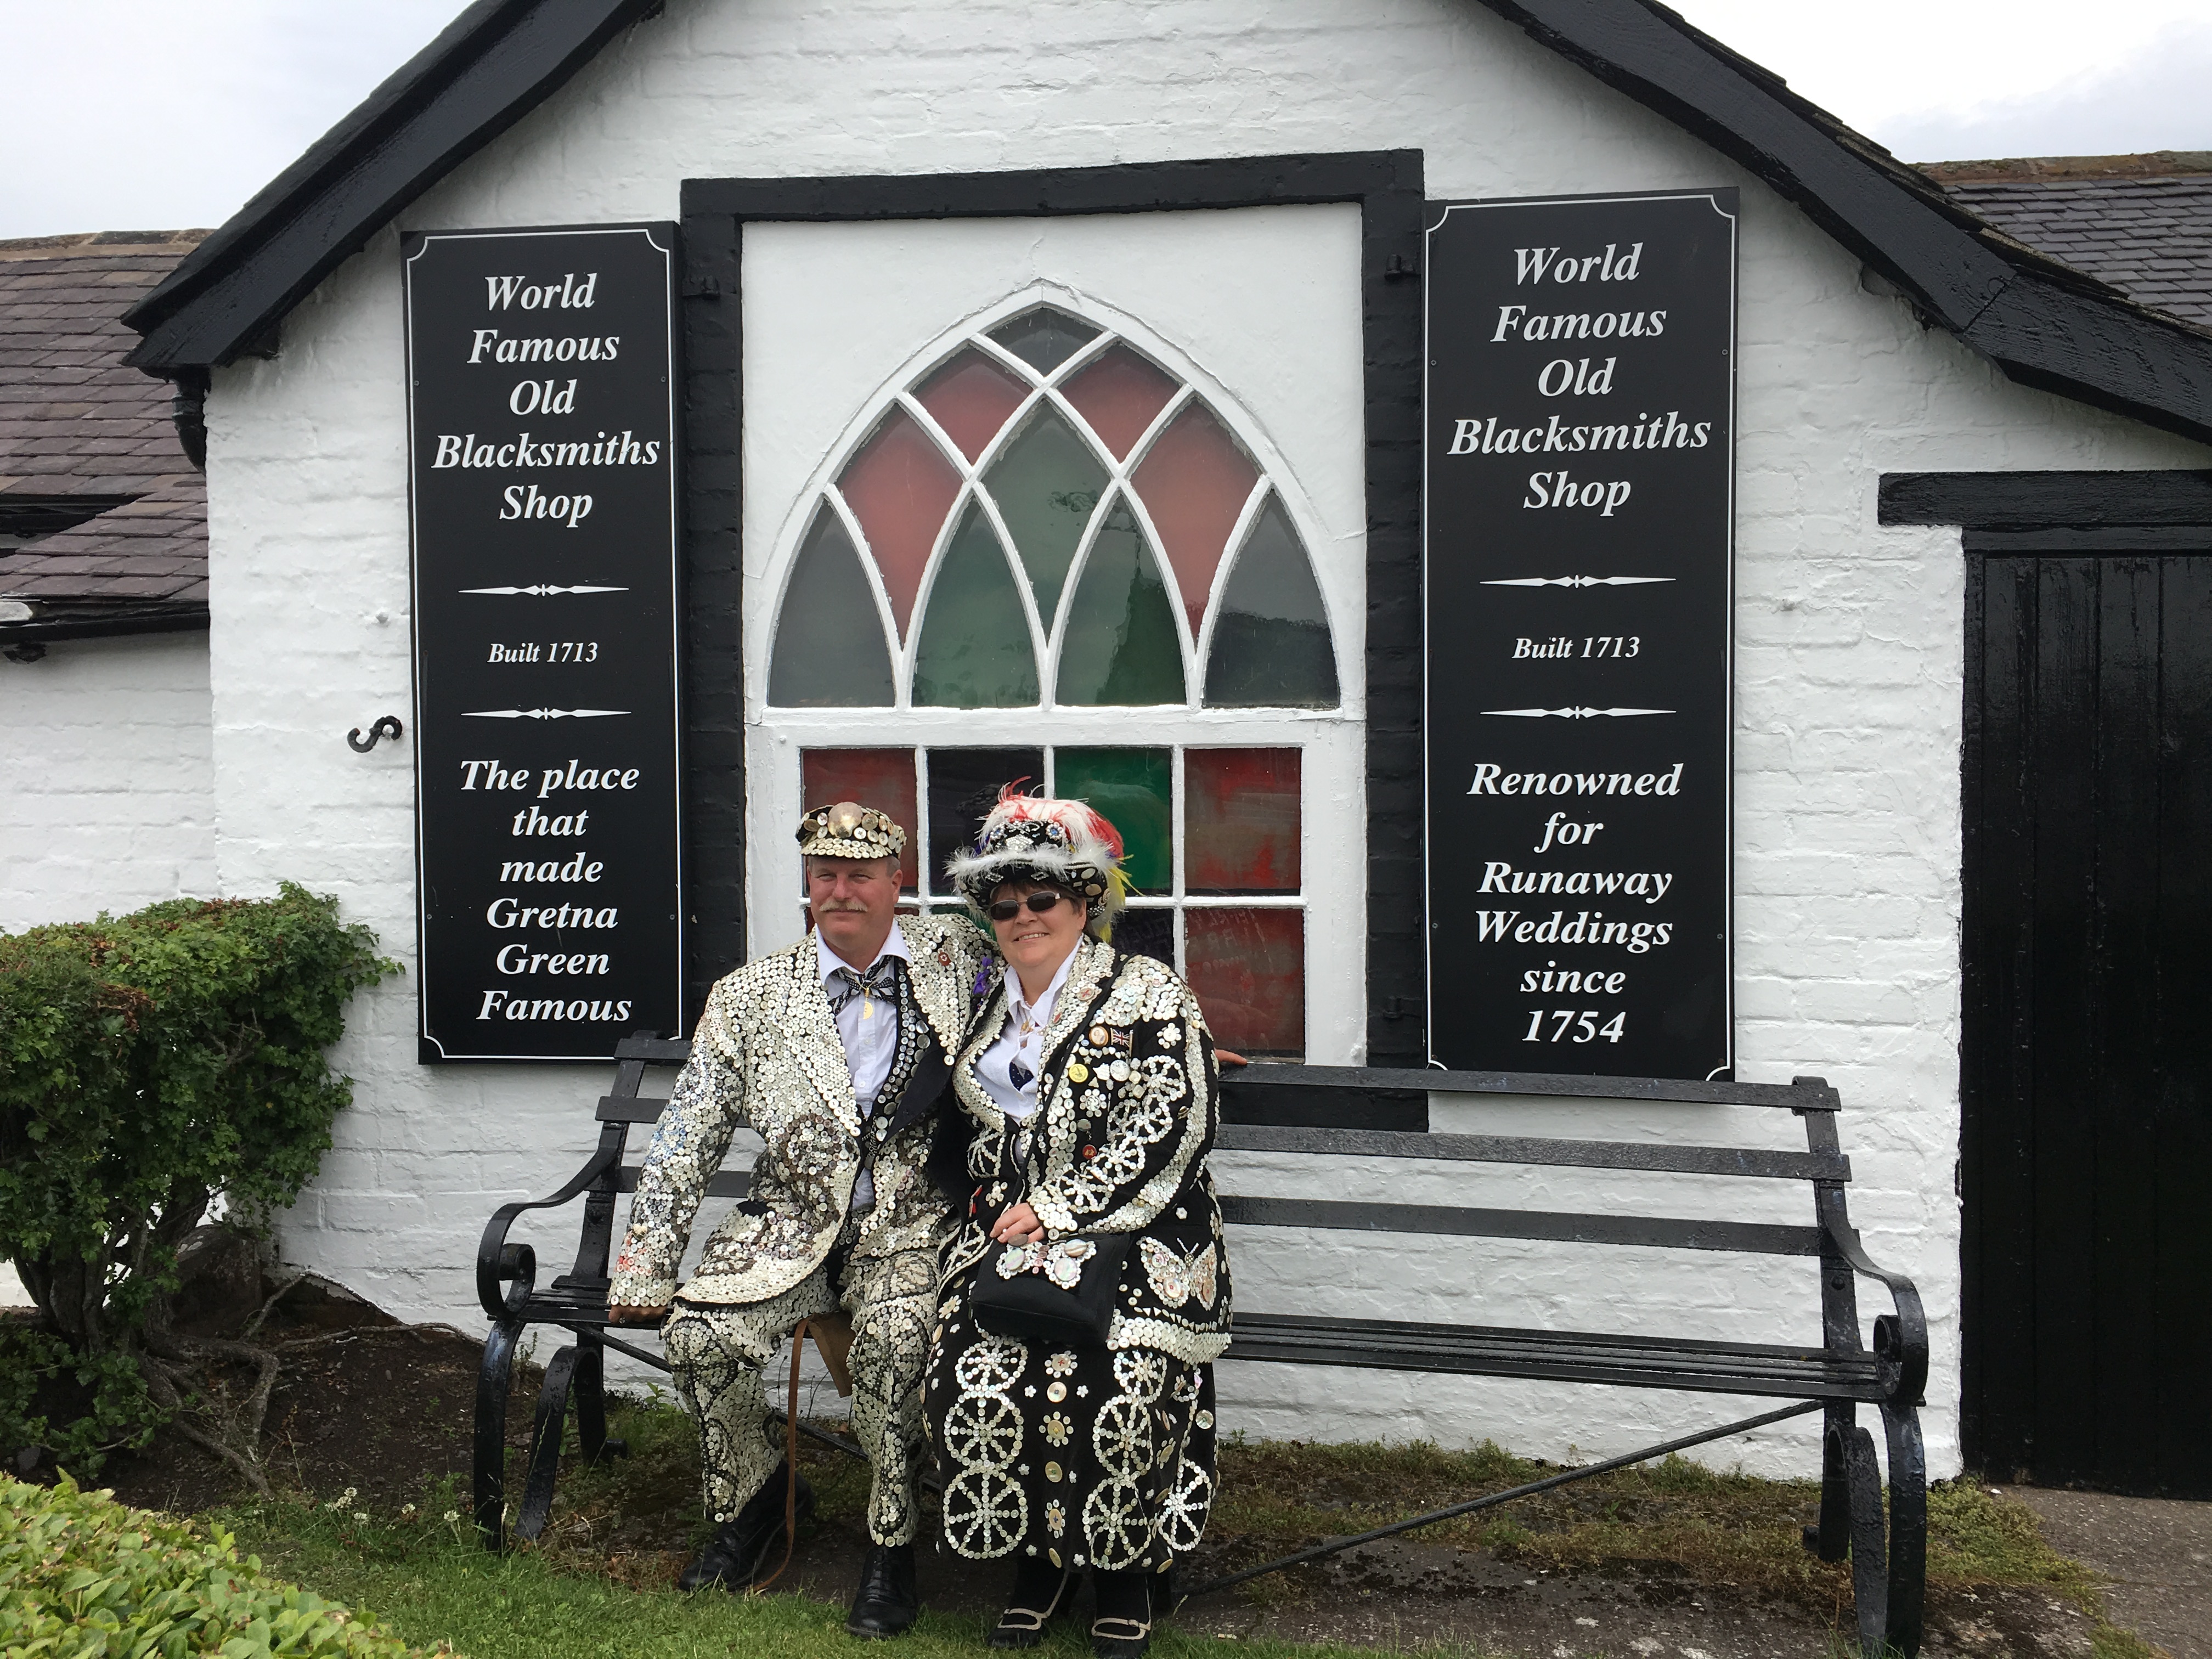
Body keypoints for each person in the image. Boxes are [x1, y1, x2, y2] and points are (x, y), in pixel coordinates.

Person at [607, 800, 988, 1637]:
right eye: (826, 875)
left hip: (910, 1225)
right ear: (808, 884)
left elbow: (1062, 974)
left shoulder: (959, 960)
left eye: (860, 875)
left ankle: (892, 1543)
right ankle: (757, 1501)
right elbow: (688, 1132)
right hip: (788, 1224)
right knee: (699, 1339)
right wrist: (645, 1268)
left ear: (898, 882)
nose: (842, 891)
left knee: (894, 1350)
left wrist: (1149, 1035)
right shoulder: (748, 998)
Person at [924, 792, 1231, 1659]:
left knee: (1118, 1379)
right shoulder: (985, 1006)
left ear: (1086, 901)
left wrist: (1059, 1209)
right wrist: (1006, 1219)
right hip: (1011, 1240)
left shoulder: (1148, 991)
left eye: (1044, 898)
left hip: (1141, 1235)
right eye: (1003, 903)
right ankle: (1038, 1564)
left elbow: (1172, 1124)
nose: (1024, 917)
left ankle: (1127, 1575)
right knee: (971, 1371)